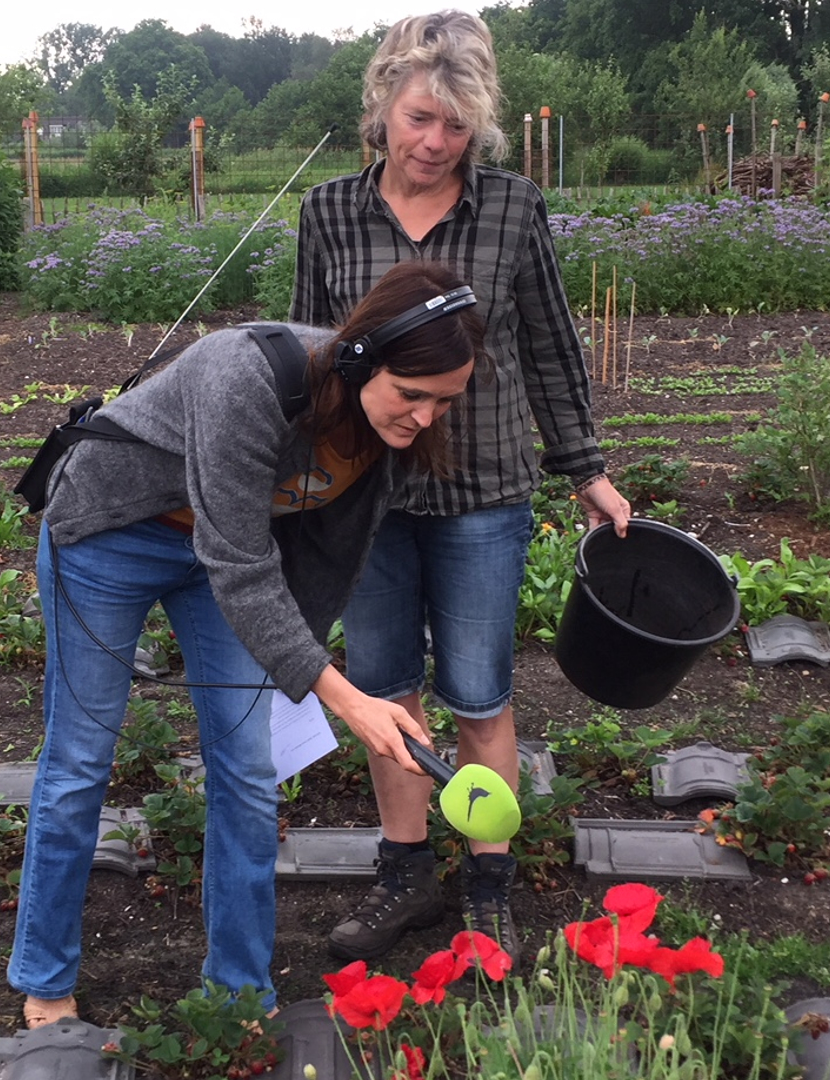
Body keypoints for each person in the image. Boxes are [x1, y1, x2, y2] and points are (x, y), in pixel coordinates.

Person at [10, 261, 486, 1027]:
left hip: (224, 562)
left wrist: (299, 672)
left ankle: (238, 990)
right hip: (109, 535)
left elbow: (323, 562)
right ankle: (45, 977)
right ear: (363, 358)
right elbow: (239, 557)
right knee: (79, 761)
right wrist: (339, 693)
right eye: (413, 395)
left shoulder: (385, 435)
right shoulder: (248, 374)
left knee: (248, 769)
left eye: (445, 403)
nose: (425, 418)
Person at [290, 10, 631, 965]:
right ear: (382, 114)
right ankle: (405, 876)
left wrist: (587, 470)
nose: (436, 143)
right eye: (419, 119)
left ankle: (489, 884)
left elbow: (554, 347)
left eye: (457, 126)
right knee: (386, 690)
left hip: (486, 489)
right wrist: (301, 490)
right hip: (367, 494)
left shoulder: (514, 209)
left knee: (479, 694)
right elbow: (311, 358)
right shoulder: (327, 212)